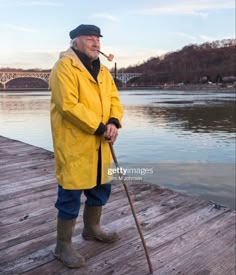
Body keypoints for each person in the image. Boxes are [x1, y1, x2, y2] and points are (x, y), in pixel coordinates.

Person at [49, 24, 123, 268]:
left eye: (98, 39)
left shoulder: (103, 71)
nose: (96, 43)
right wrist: (101, 127)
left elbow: (114, 99)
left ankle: (92, 229)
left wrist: (113, 122)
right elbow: (68, 106)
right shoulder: (64, 67)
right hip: (75, 144)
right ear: (75, 42)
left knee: (101, 188)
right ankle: (63, 246)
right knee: (70, 195)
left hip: (101, 143)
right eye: (89, 39)